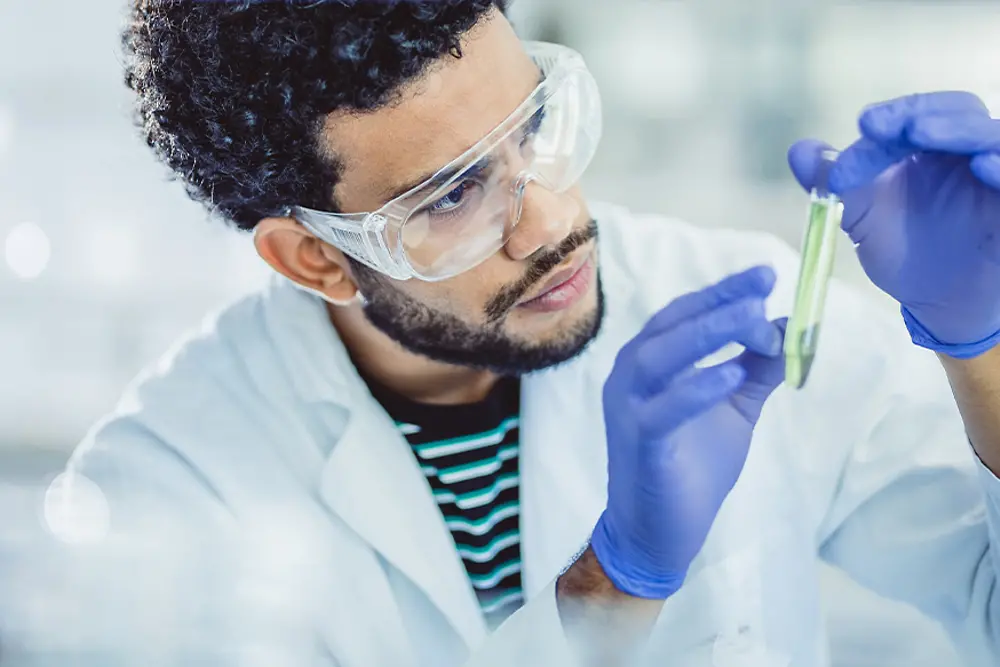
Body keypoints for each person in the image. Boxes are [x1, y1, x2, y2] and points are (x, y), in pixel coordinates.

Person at [9, 1, 1000, 665]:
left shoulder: (729, 302)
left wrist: (981, 344)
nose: (551, 219)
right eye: (453, 194)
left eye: (532, 126)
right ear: (313, 258)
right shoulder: (167, 488)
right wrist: (616, 580)